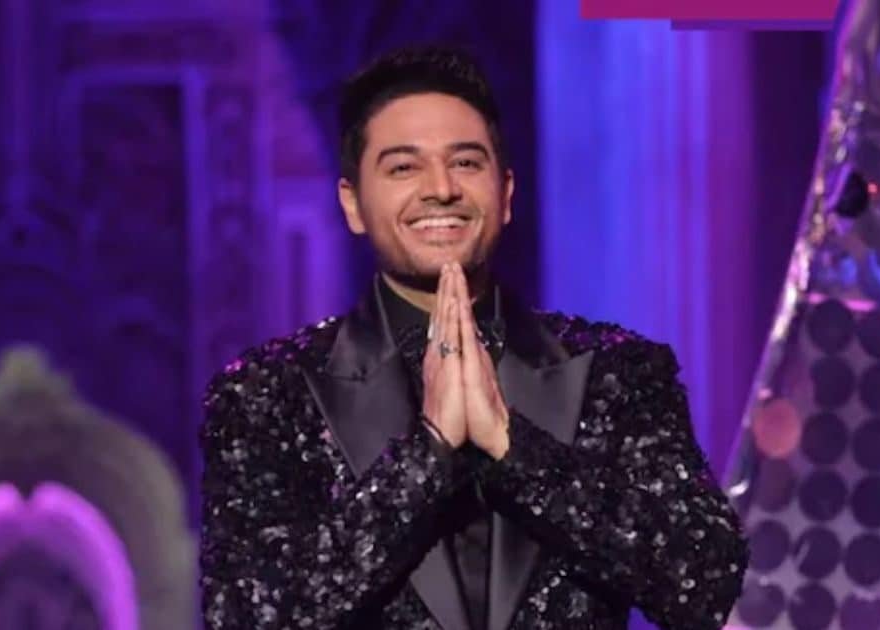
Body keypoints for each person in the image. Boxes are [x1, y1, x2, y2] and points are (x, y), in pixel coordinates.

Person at [199, 46, 748, 630]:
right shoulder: (268, 394)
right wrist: (429, 453)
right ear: (353, 203)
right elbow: (247, 615)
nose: (441, 188)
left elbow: (706, 583)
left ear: (505, 194)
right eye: (403, 168)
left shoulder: (618, 372)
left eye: (465, 162)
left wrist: (514, 449)